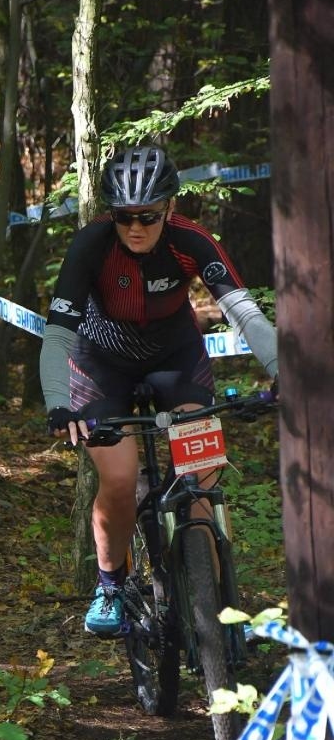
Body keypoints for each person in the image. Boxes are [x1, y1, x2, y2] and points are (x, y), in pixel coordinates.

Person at [40, 143, 276, 637]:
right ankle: (110, 586)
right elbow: (59, 332)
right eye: (124, 217)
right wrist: (58, 402)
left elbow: (244, 312)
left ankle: (218, 611)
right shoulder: (92, 245)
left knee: (200, 478)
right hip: (101, 363)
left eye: (148, 216)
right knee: (121, 478)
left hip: (175, 358)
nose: (136, 228)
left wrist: (283, 369)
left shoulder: (191, 241)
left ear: (170, 207)